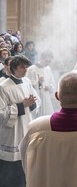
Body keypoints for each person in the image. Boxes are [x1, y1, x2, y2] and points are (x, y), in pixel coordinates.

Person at [0, 55, 40, 187]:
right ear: (13, 68)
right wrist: (21, 106)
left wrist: (33, 104)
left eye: (26, 66)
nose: (26, 69)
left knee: (26, 165)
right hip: (12, 133)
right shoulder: (3, 87)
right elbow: (1, 113)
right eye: (22, 67)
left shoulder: (27, 82)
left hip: (26, 126)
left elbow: (36, 100)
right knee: (11, 171)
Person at [26, 50, 56, 117]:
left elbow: (52, 82)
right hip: (36, 97)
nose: (48, 63)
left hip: (46, 97)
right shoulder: (31, 69)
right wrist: (38, 83)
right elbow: (27, 85)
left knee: (48, 118)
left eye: (50, 62)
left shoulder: (48, 68)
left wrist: (50, 87)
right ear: (41, 58)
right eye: (47, 61)